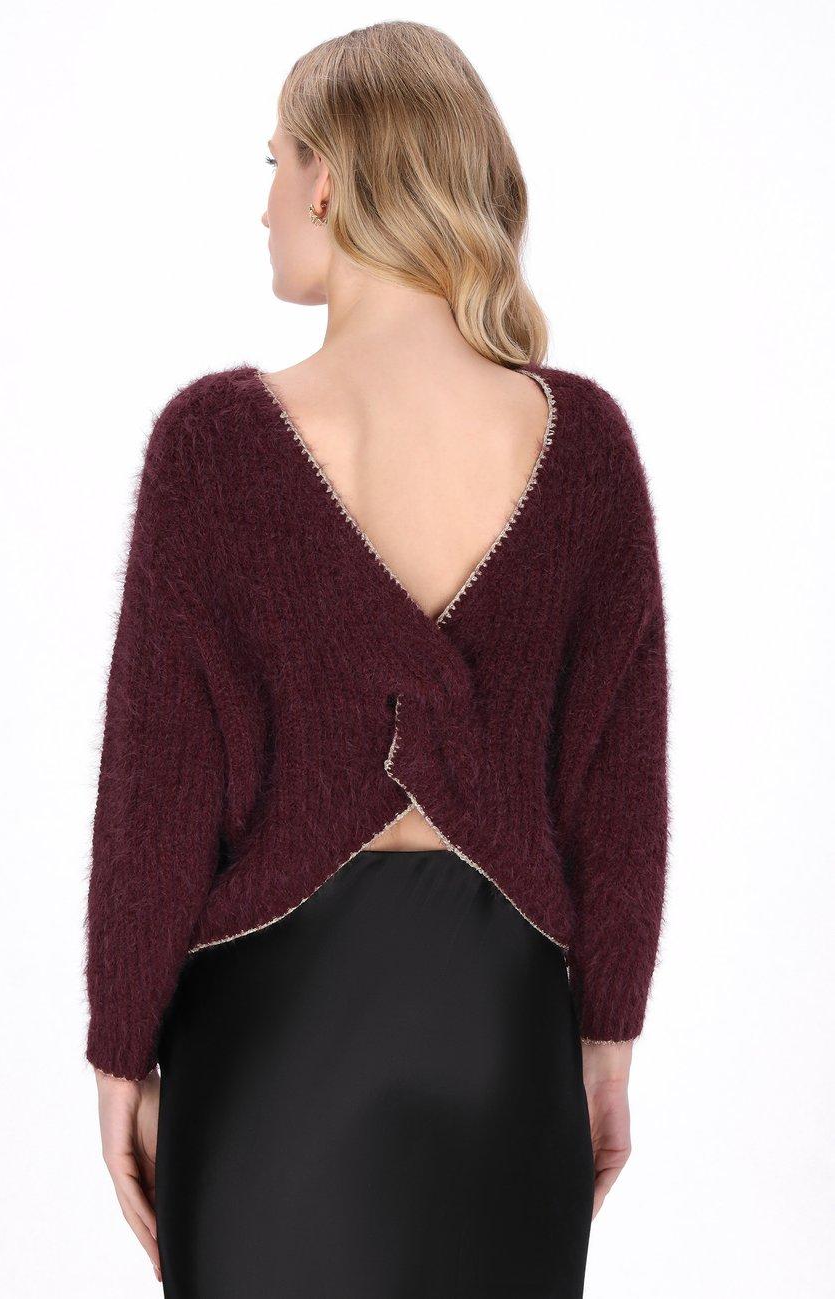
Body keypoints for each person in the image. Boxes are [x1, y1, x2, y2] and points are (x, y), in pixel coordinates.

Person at [84, 20, 669, 1298]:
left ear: (330, 178)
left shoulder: (214, 442)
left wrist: (119, 1049)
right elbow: (618, 787)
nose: (263, 206)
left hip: (266, 1035)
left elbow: (156, 794)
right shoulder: (584, 445)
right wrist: (608, 1040)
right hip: (501, 1034)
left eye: (275, 162)